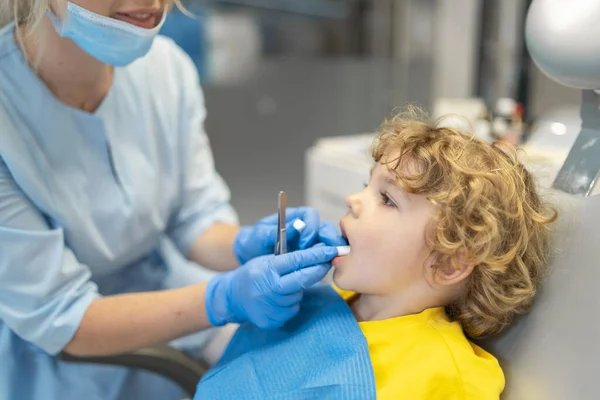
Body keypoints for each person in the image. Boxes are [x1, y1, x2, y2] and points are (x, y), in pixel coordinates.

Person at [0, 1, 346, 399]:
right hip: (57, 365)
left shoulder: (166, 69)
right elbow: (65, 319)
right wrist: (224, 298)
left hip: (177, 313)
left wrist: (247, 244)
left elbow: (193, 218)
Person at [194, 107, 557, 399]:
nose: (354, 200)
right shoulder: (324, 299)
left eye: (386, 199)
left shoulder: (447, 378)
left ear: (449, 262)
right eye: (365, 185)